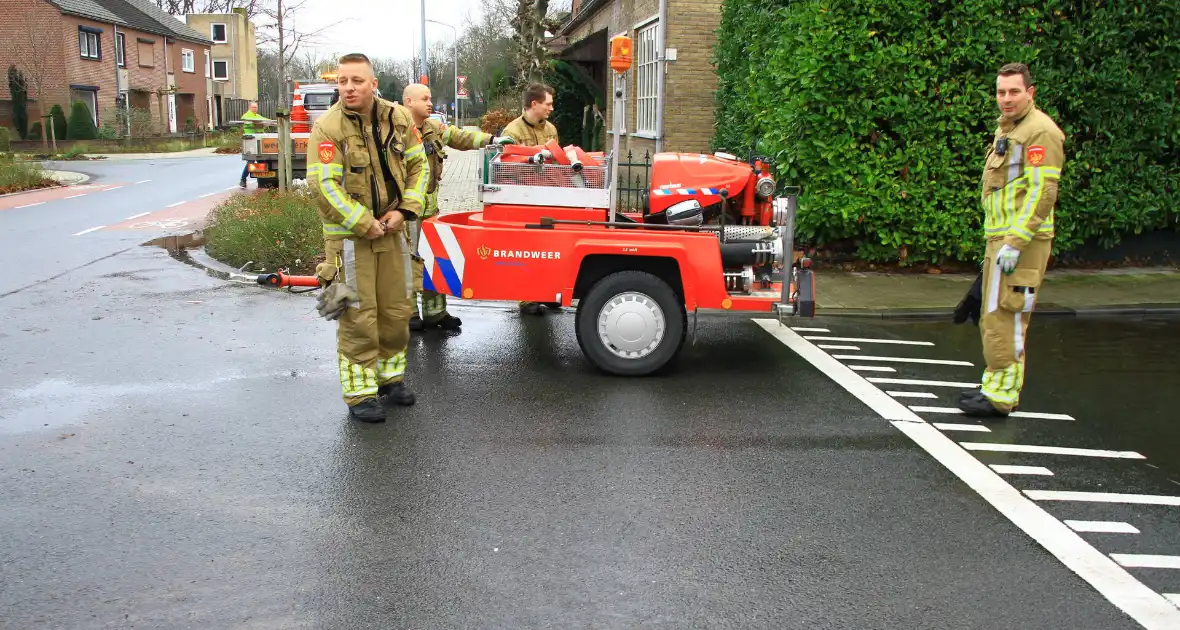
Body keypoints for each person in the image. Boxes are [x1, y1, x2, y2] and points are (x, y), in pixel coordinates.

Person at [305, 52, 431, 423]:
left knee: (396, 310)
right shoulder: (327, 128)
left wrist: (405, 210)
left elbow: (418, 167)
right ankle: (360, 393)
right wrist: (363, 221)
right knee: (359, 317)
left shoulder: (399, 118)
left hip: (393, 232)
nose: (348, 88)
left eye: (356, 81)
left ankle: (389, 379)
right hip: (349, 240)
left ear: (373, 84)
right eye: (342, 81)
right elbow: (323, 186)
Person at [959, 62, 1065, 419]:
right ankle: (994, 386)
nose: (1006, 99)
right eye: (1001, 92)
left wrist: (1015, 242)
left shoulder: (1040, 132)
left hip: (1021, 244)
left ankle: (1001, 397)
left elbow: (1042, 193)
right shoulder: (1013, 128)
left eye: (1014, 91)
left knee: (1008, 316)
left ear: (1030, 93)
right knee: (994, 317)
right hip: (1002, 242)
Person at [401, 83, 514, 332]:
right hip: (406, 210)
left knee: (433, 259)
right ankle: (407, 314)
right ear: (409, 101)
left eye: (431, 98)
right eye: (425, 98)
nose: (430, 103)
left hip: (430, 209)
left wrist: (492, 140)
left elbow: (462, 137)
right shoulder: (397, 130)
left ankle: (435, 313)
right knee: (406, 261)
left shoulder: (433, 128)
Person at [502, 83, 562, 315]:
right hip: (522, 199)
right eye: (548, 104)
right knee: (527, 250)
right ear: (534, 104)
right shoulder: (512, 132)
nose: (551, 108)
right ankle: (527, 297)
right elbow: (506, 168)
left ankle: (546, 293)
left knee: (548, 248)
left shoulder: (551, 129)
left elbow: (557, 161)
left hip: (546, 196)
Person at [239, 102, 273, 187]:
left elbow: (266, 120)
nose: (255, 109)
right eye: (253, 107)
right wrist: (260, 123)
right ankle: (243, 179)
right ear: (249, 107)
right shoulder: (246, 116)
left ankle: (261, 182)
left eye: (256, 107)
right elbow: (251, 122)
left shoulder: (257, 116)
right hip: (251, 141)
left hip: (260, 140)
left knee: (261, 162)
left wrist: (267, 122)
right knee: (251, 161)